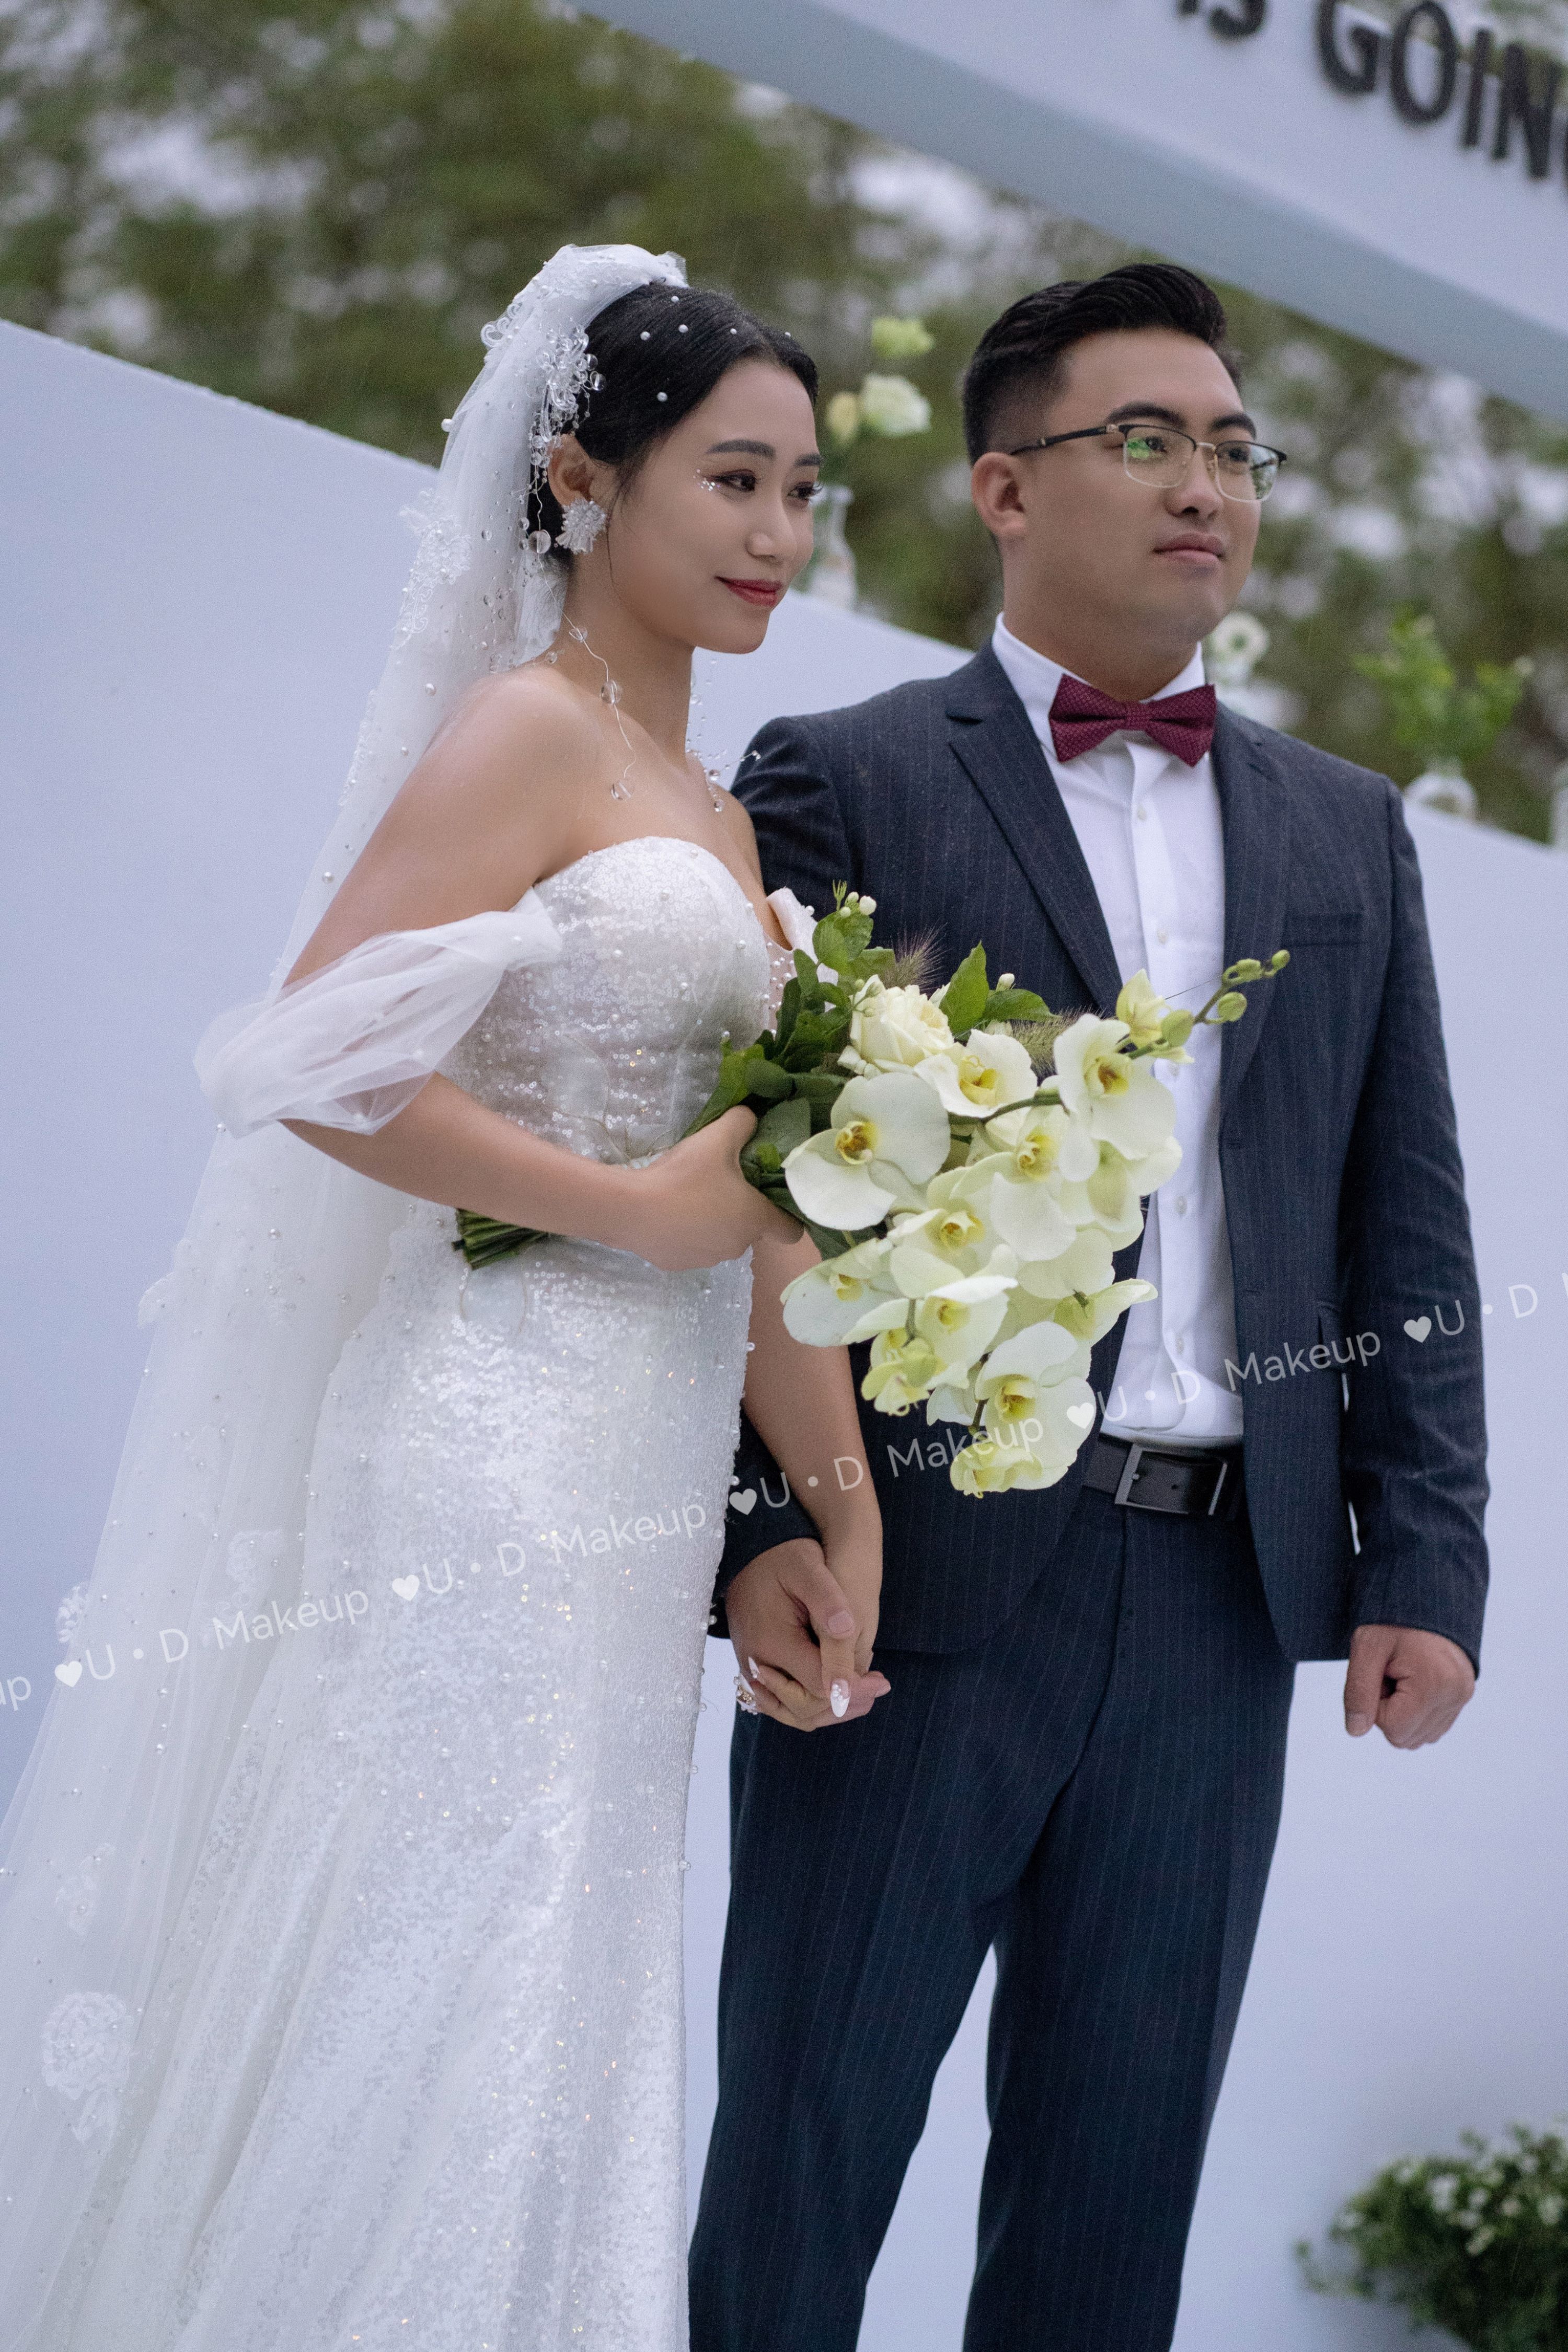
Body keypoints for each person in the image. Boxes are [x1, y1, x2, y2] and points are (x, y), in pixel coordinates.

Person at [0, 245, 884, 2351]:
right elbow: (312, 1061)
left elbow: (763, 1207)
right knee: (440, 1929)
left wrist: (843, 1506)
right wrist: (619, 1208)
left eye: (801, 493)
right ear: (582, 476)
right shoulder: (528, 732)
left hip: (645, 1484)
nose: (777, 533)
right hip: (488, 1435)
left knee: (560, 1962)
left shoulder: (720, 810)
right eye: (734, 480)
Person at [691, 262, 1488, 2352]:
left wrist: (1427, 1556)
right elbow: (744, 1194)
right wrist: (759, 1530)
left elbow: (1406, 1224)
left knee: (1110, 2222)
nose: (1205, 484)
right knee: (799, 2169)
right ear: (1005, 489)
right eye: (1146, 441)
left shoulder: (1350, 834)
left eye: (1233, 447)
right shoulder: (846, 773)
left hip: (1224, 1613)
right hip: (912, 1585)